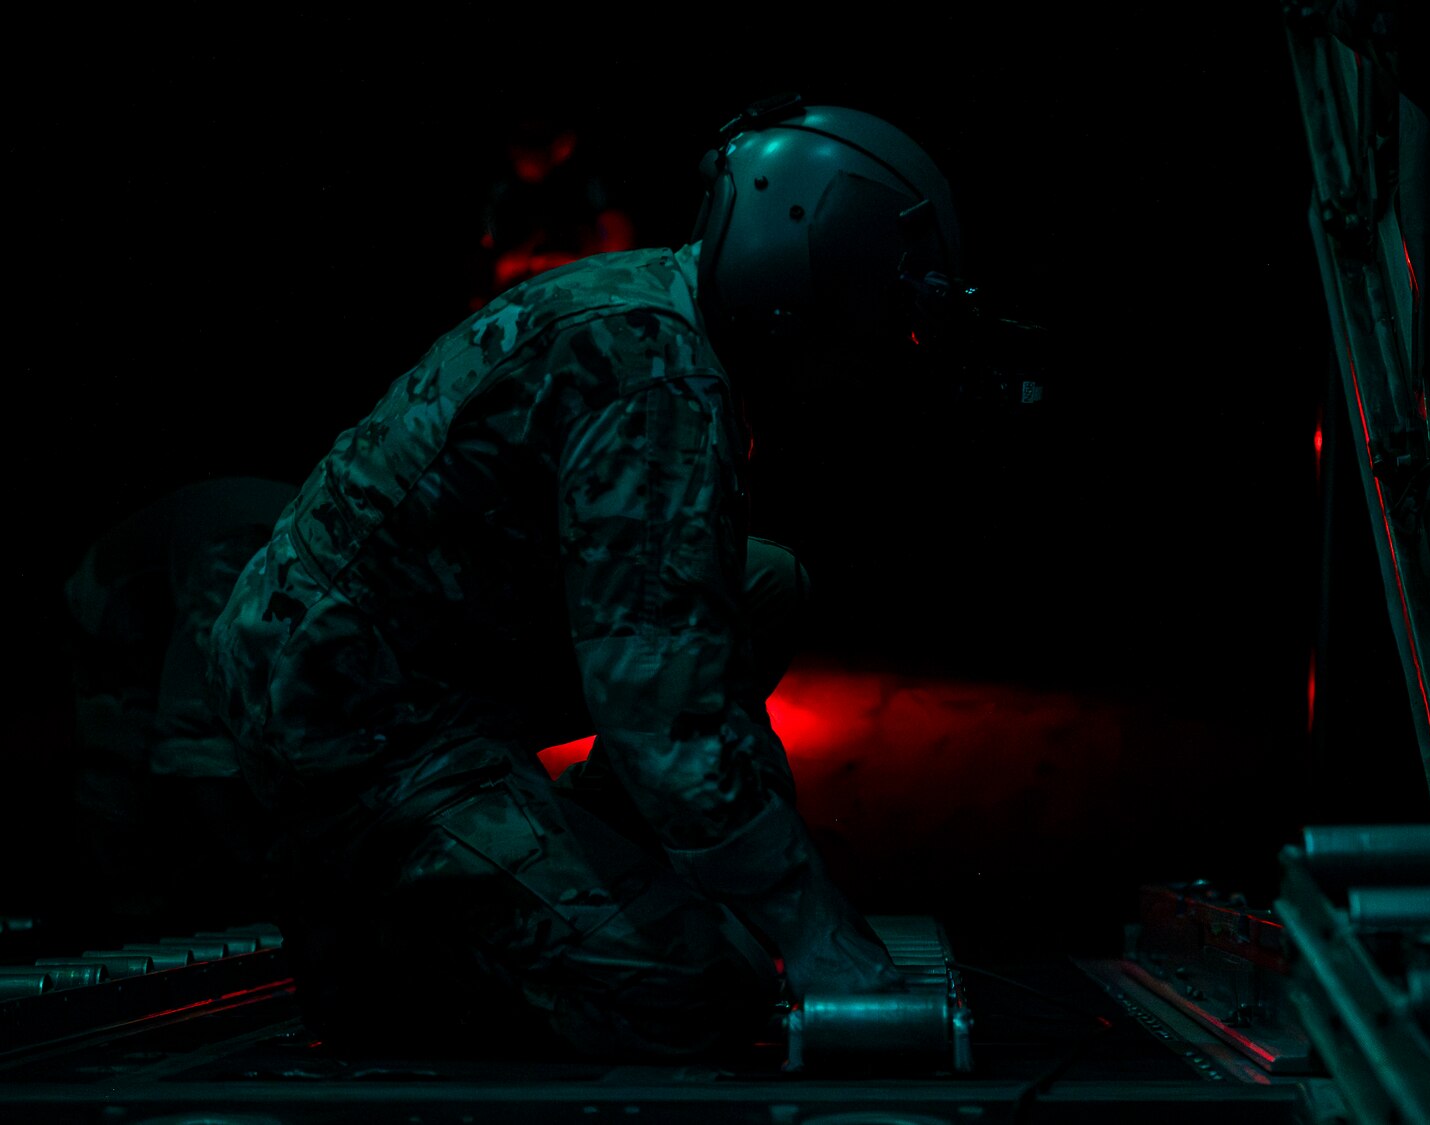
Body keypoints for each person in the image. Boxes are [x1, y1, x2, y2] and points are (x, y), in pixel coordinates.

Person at [206, 97, 963, 1057]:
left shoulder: (668, 309)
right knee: (705, 988)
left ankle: (568, 862)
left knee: (764, 584)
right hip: (357, 726)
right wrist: (820, 937)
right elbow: (671, 718)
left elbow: (680, 631)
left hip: (408, 657)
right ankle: (396, 924)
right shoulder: (657, 378)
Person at [64, 477, 297, 929]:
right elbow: (192, 747)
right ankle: (127, 914)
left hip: (167, 587)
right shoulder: (235, 559)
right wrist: (261, 876)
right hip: (110, 616)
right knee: (129, 763)